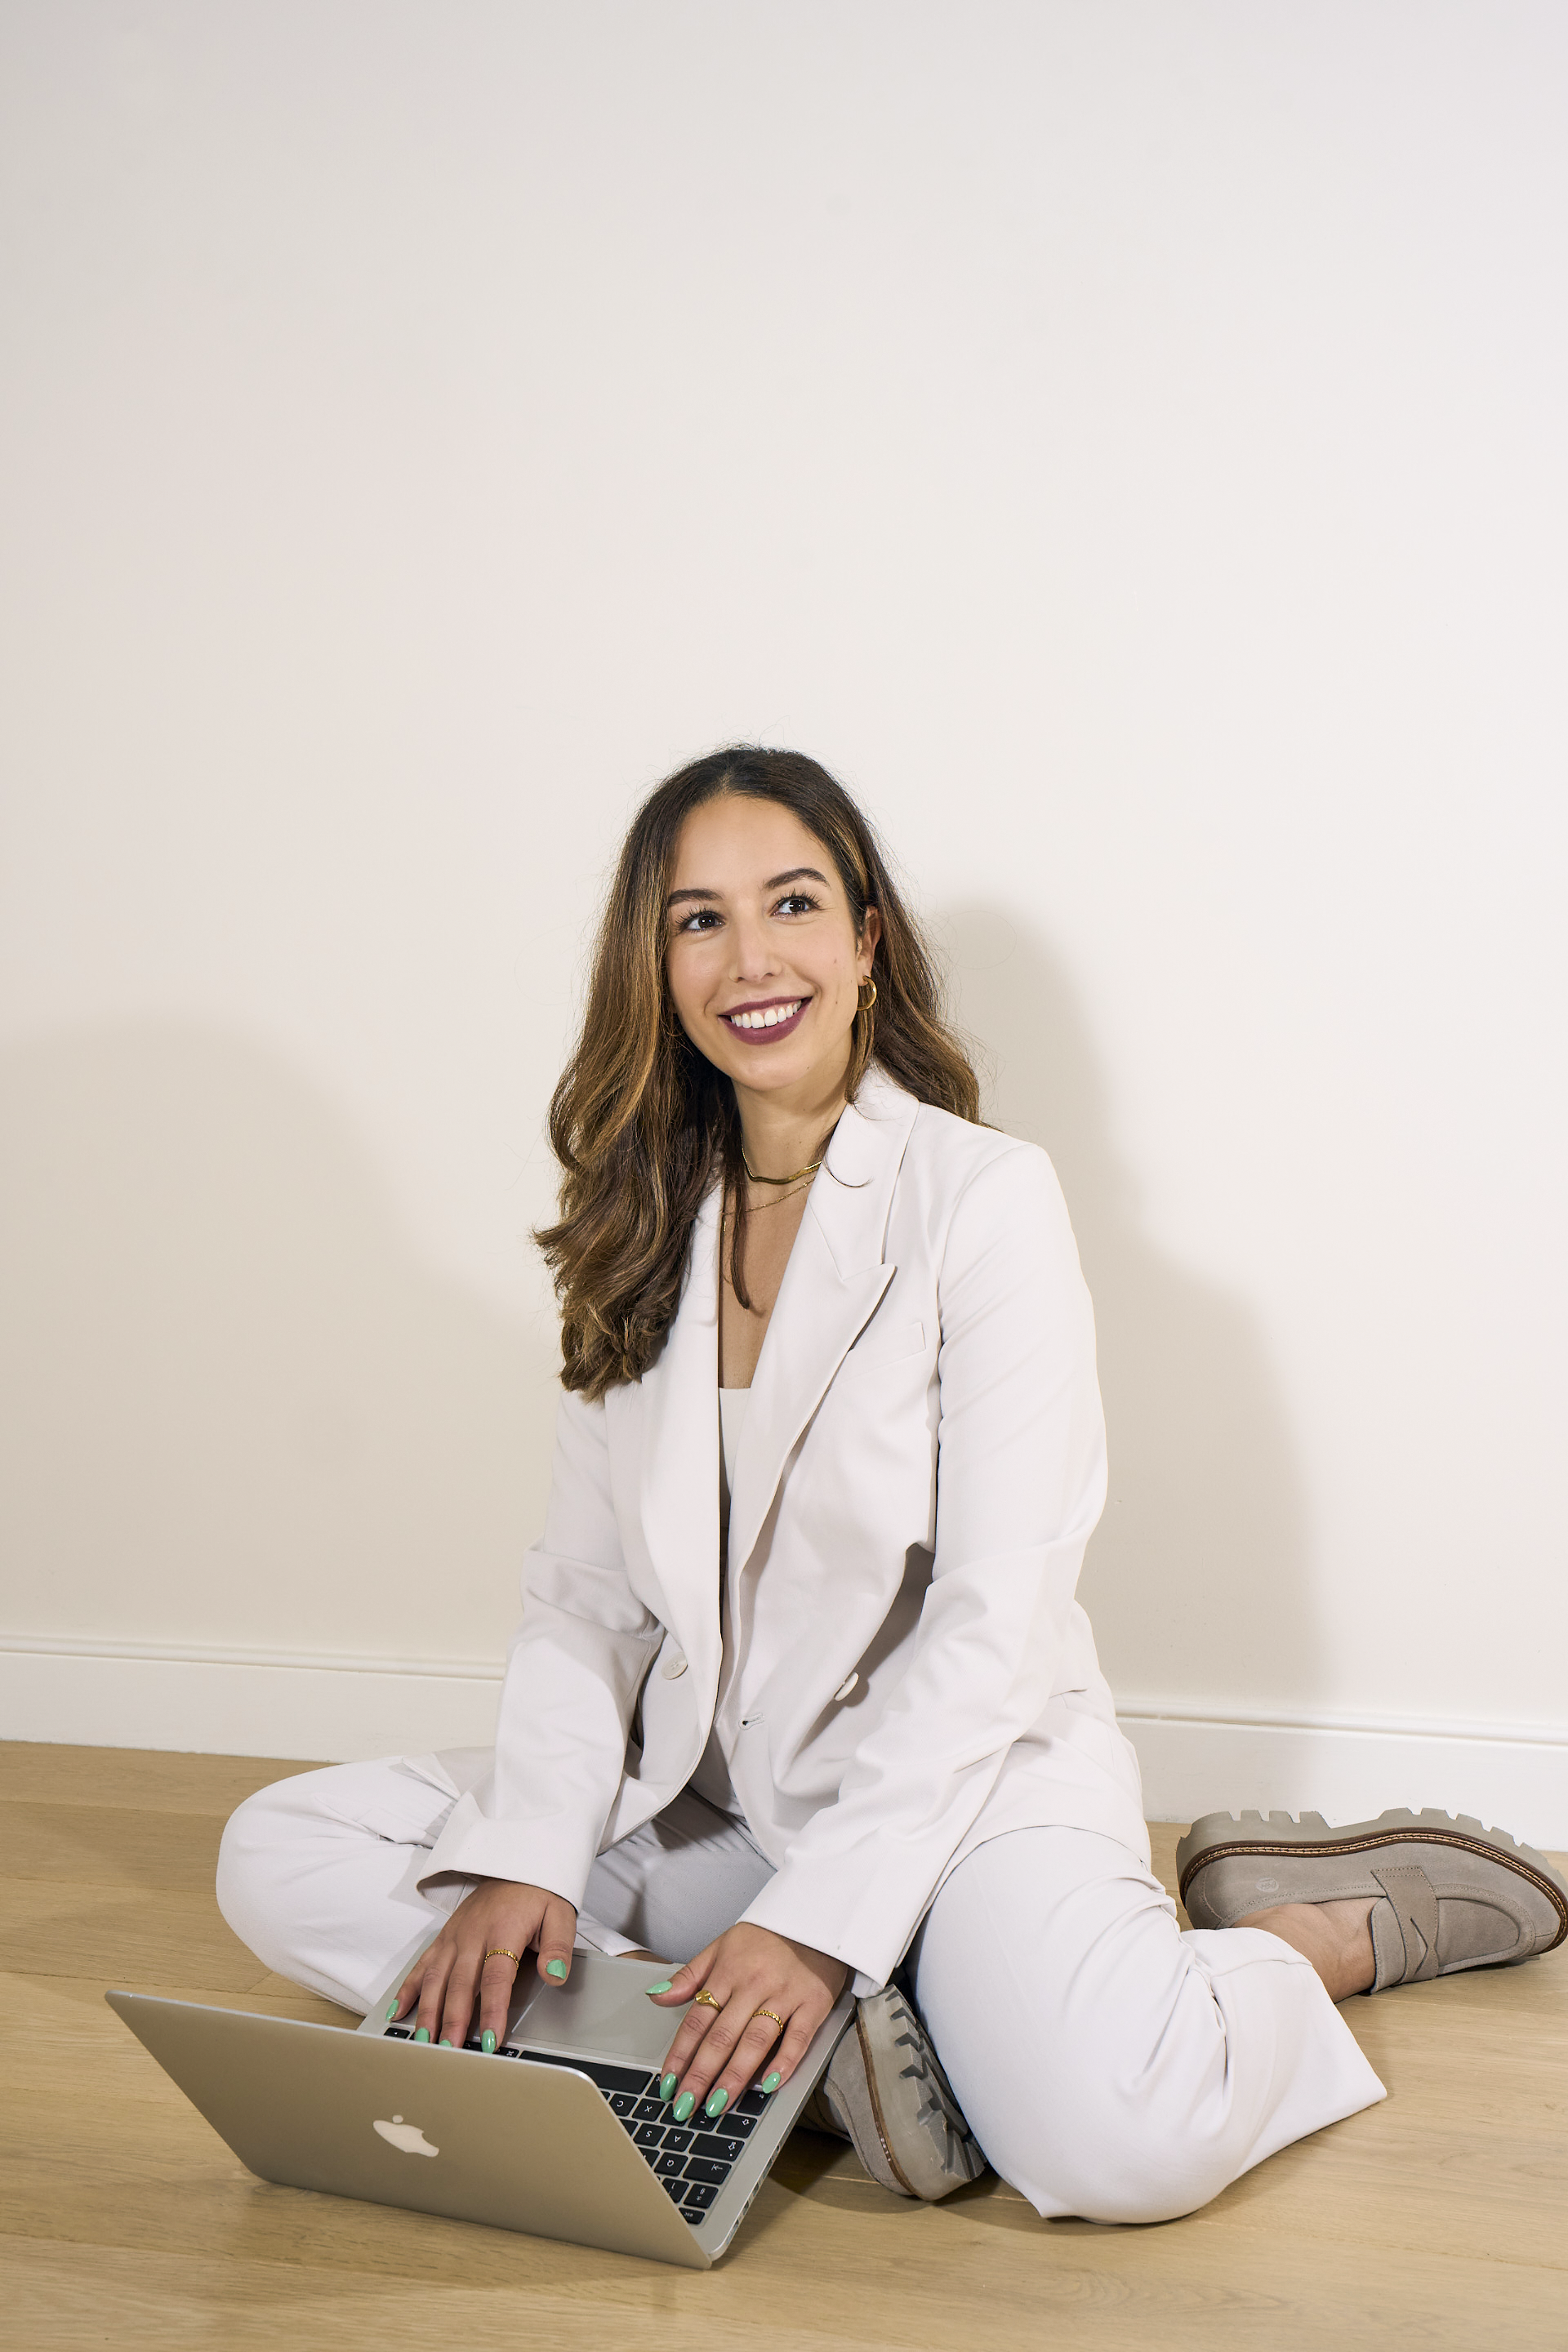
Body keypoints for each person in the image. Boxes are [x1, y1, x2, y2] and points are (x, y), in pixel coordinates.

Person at [217, 746, 1566, 2222]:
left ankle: (1305, 1933)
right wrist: (529, 1857)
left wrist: (816, 1927)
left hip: (967, 1791)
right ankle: (822, 2053)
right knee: (283, 1855)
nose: (751, 958)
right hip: (717, 1809)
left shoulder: (983, 1199)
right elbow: (589, 1600)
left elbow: (995, 1616)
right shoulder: (637, 1221)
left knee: (1119, 2145)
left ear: (867, 939)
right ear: (654, 968)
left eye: (792, 903)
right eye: (698, 920)